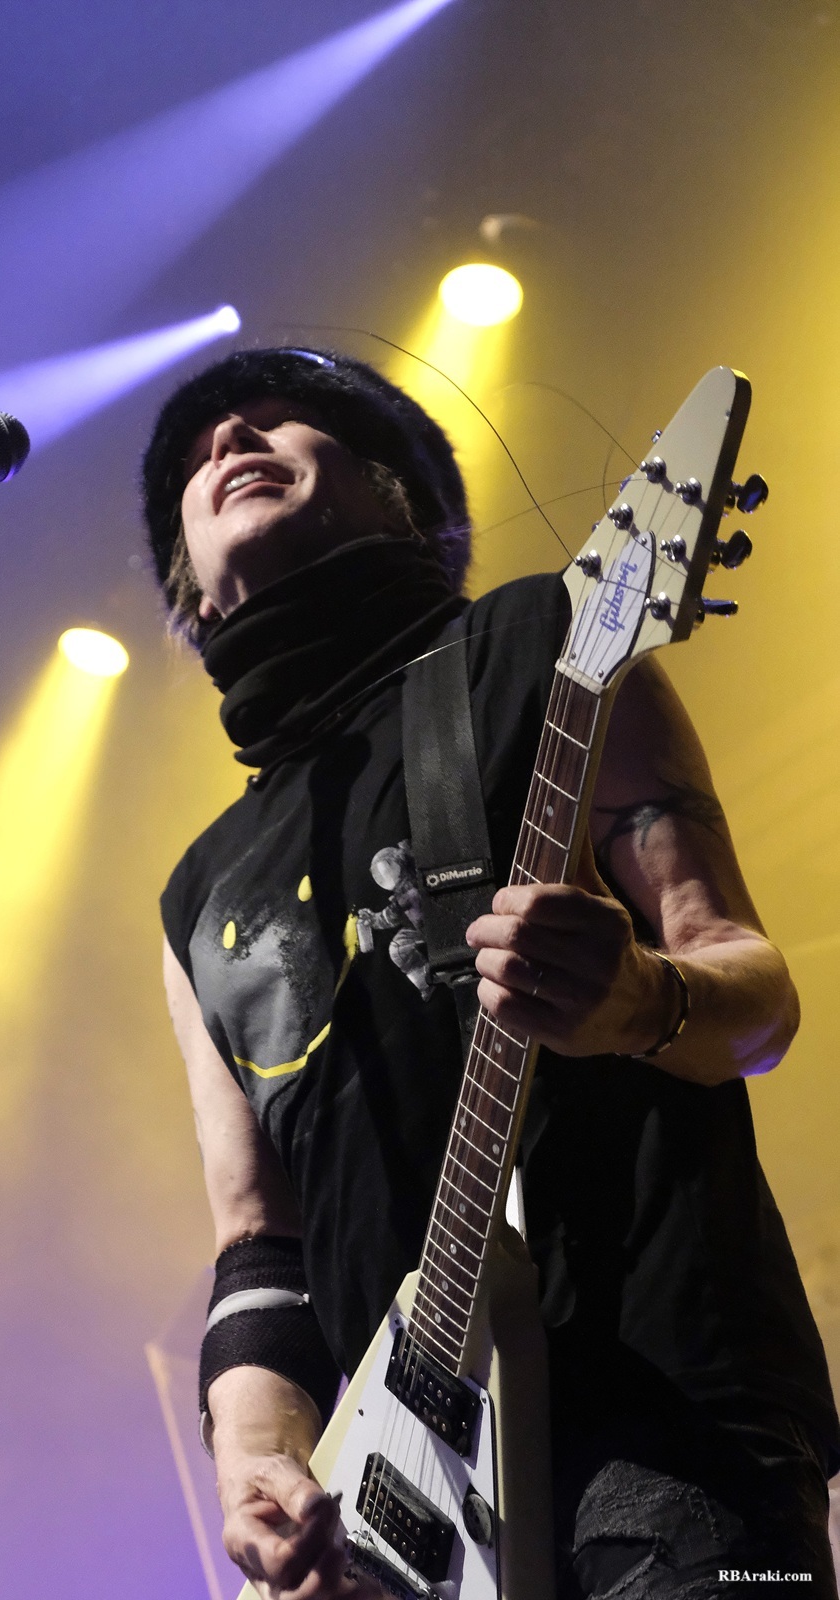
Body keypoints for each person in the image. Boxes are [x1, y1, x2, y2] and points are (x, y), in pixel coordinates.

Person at [142, 347, 840, 1599]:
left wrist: (638, 1000)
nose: (230, 435)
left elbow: (756, 993)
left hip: (662, 1417)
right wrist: (256, 1457)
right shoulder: (198, 892)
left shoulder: (546, 645)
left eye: (283, 418)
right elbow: (257, 1241)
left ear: (394, 492)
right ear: (189, 589)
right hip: (404, 1524)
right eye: (195, 455)